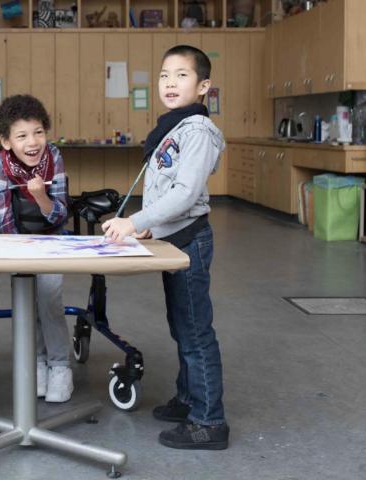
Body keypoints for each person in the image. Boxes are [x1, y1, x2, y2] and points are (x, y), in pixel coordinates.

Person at [101, 45, 229, 450]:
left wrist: (135, 220)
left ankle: (209, 422)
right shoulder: (174, 128)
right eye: (164, 76)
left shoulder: (198, 132)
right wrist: (151, 230)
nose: (170, 83)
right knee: (182, 325)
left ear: (203, 86)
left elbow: (186, 193)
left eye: (182, 75)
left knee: (195, 332)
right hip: (173, 238)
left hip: (190, 241)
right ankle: (189, 398)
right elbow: (166, 192)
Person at [0, 94, 73, 403]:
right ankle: (36, 362)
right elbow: (2, 215)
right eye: (22, 135)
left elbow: (61, 213)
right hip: (18, 242)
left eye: (38, 132)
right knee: (27, 305)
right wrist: (19, 252)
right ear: (7, 141)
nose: (33, 142)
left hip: (53, 240)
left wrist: (41, 198)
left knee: (49, 302)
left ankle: (61, 367)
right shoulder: (2, 164)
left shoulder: (55, 158)